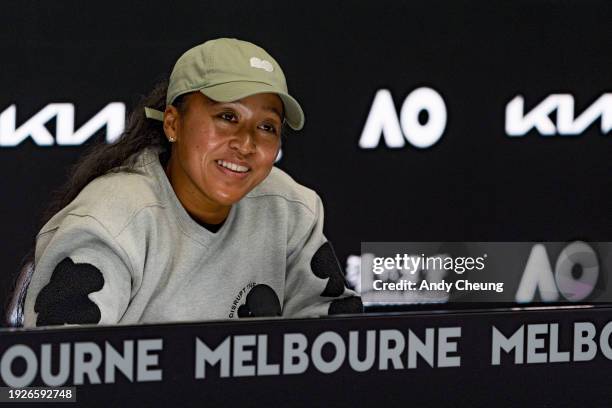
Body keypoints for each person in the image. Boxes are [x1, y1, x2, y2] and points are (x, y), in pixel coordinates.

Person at [15, 38, 362, 327]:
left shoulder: (290, 209)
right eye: (227, 117)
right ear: (172, 124)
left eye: (267, 126)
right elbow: (53, 382)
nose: (246, 143)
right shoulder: (110, 222)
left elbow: (336, 348)